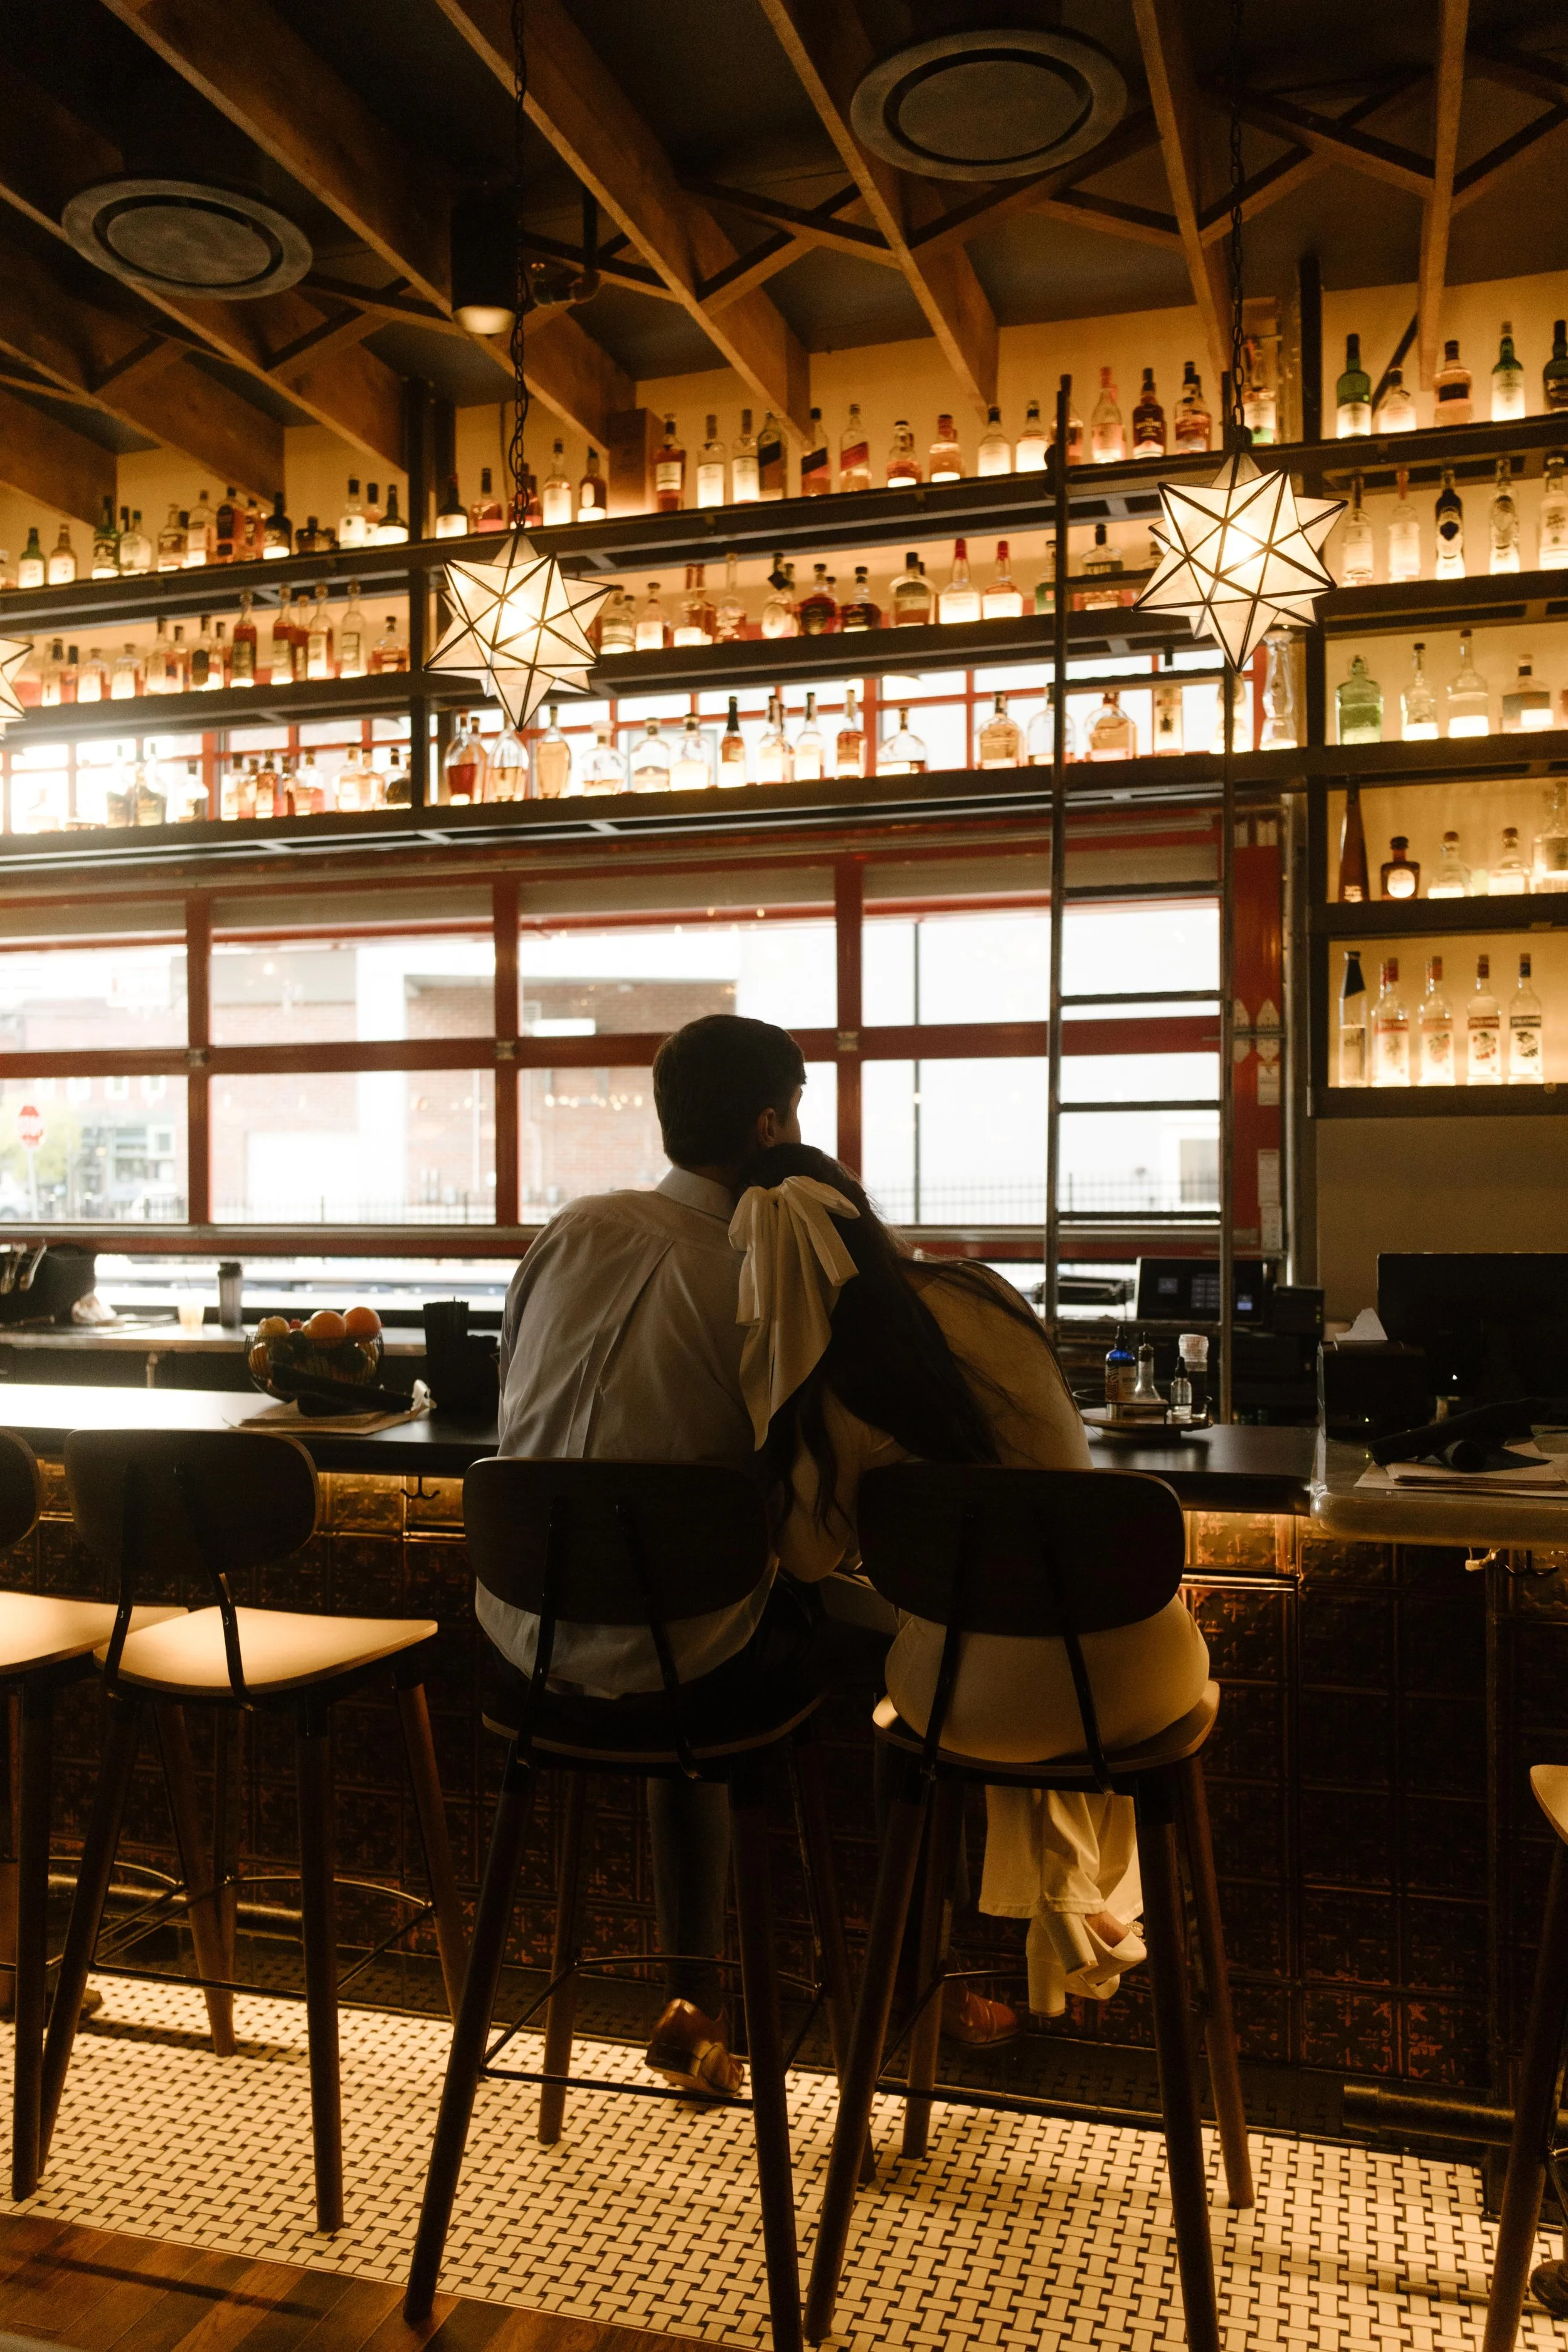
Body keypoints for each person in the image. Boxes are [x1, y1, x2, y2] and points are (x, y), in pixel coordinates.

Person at [728, 1141, 1211, 2024]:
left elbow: (801, 1558)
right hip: (1141, 1673)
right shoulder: (983, 1290)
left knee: (965, 1661)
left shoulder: (833, 1377)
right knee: (1021, 1637)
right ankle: (1073, 1915)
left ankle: (922, 1983)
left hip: (980, 1701)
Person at [486, 1012, 810, 2099]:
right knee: (898, 1657)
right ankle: (897, 2014)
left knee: (690, 1635)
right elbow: (807, 1493)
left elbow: (510, 1421)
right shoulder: (761, 1270)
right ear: (770, 1126)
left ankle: (696, 1995)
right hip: (696, 1665)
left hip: (520, 1656)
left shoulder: (571, 1228)